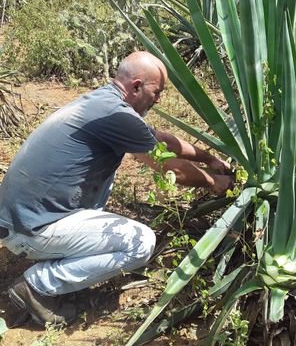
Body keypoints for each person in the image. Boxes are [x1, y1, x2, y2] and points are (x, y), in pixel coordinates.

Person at [0, 51, 233, 327]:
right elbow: (171, 167)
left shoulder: (104, 102)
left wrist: (208, 159)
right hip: (29, 231)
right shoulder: (115, 114)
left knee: (103, 184)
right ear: (136, 86)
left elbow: (161, 140)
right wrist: (213, 182)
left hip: (23, 218)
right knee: (140, 243)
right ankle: (37, 285)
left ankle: (62, 261)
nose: (159, 99)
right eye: (157, 92)